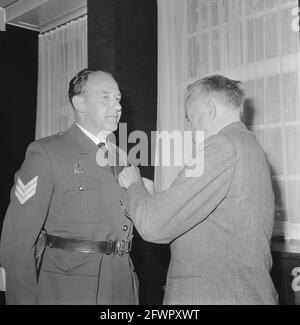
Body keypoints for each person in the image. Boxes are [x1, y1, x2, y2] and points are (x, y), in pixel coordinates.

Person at [119, 75, 278, 305]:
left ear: (210, 109)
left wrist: (134, 185)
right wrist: (153, 199)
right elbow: (217, 221)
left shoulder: (220, 147)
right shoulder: (249, 146)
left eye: (191, 118)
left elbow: (153, 225)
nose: (190, 129)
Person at [0, 69, 138, 305]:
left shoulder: (121, 157)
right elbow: (17, 242)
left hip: (121, 284)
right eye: (105, 97)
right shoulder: (47, 153)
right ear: (79, 103)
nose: (117, 106)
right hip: (71, 289)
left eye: (118, 98)